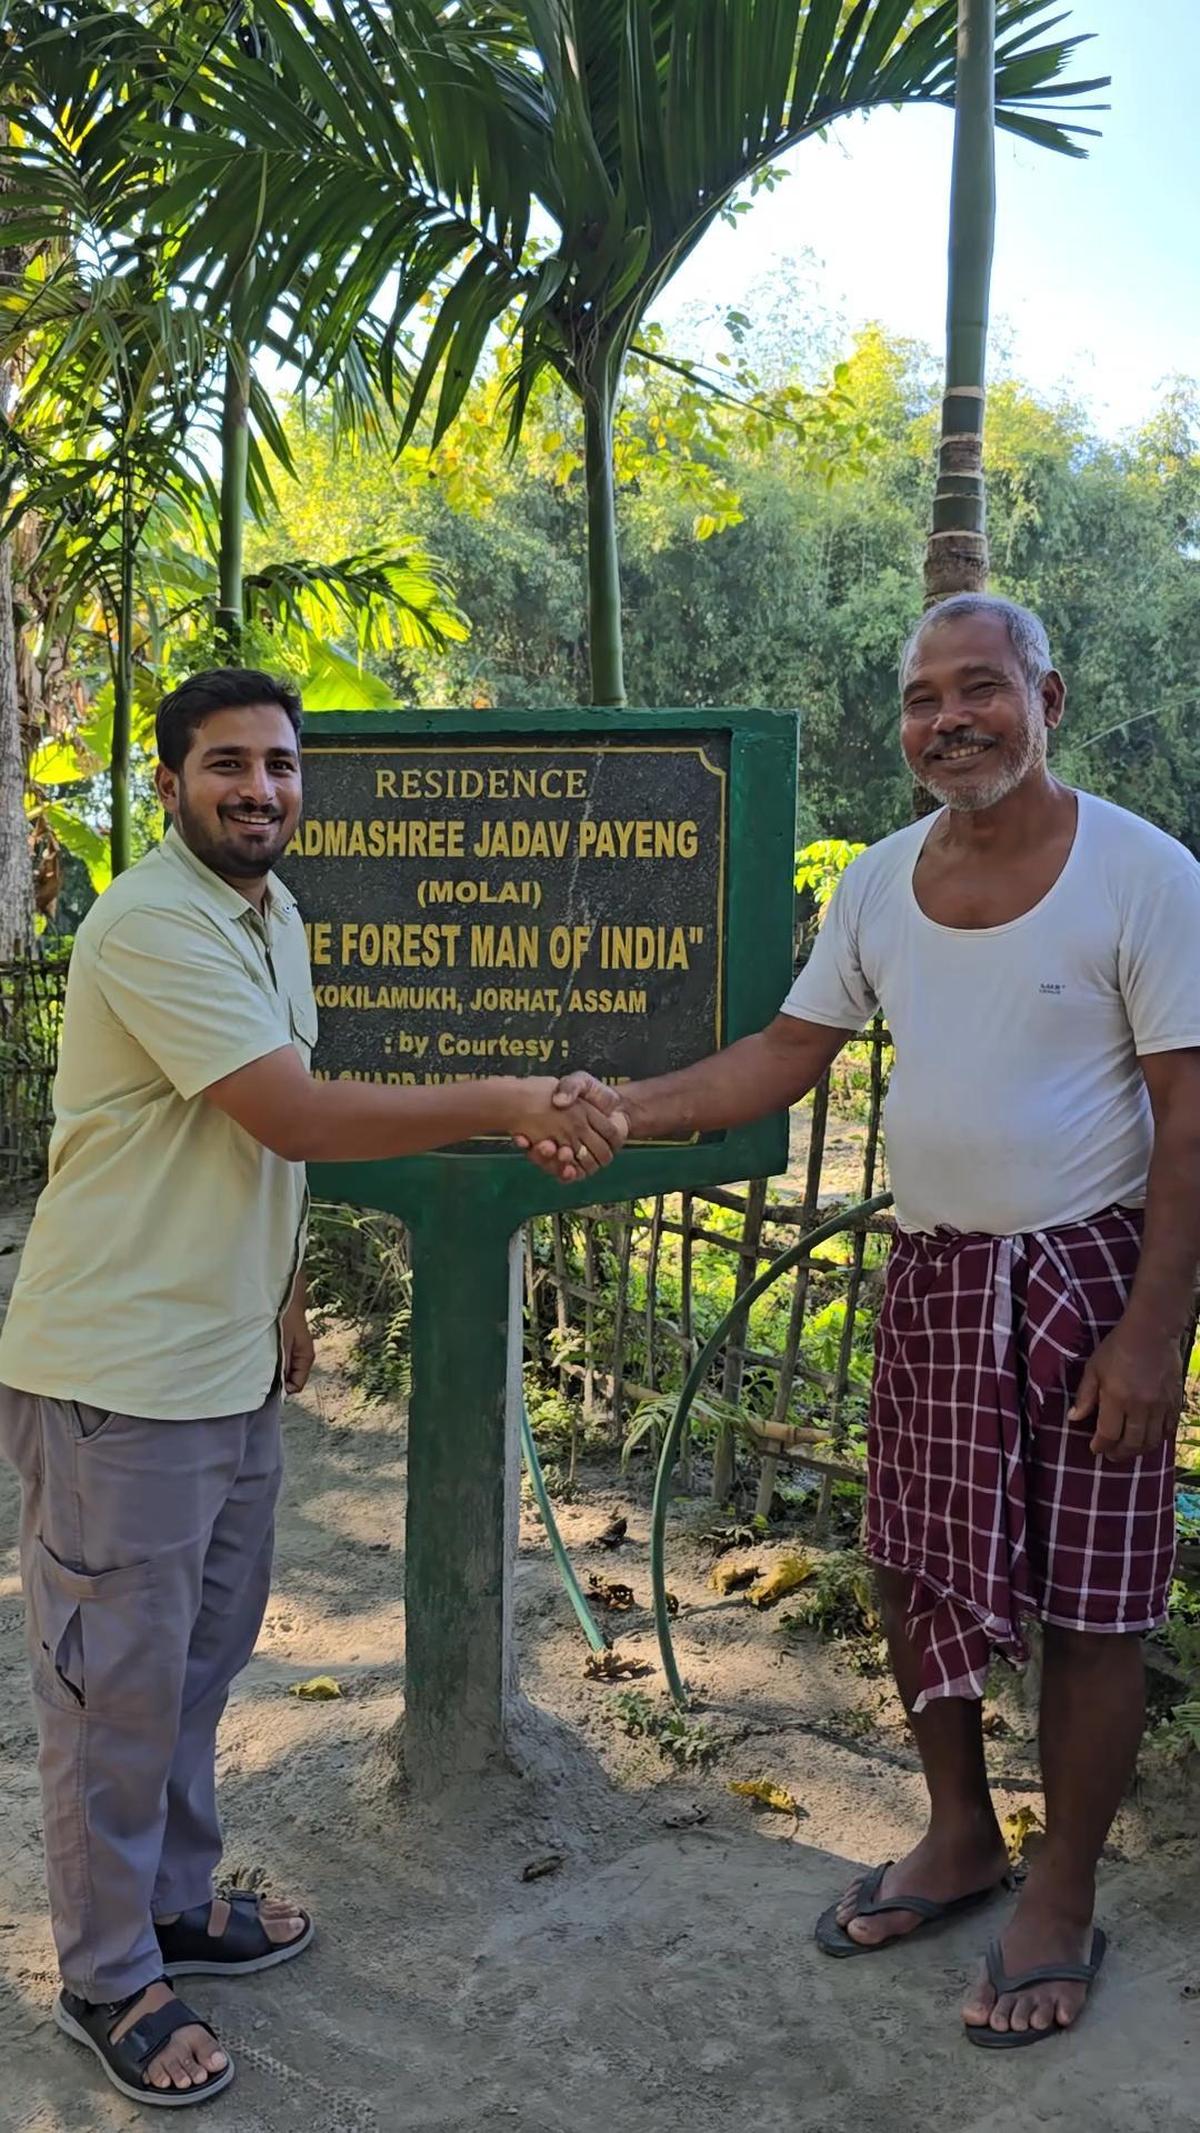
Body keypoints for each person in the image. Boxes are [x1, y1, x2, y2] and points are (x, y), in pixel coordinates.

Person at [527, 594, 1200, 2051]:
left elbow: (1190, 1117)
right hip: (940, 1275)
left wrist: (1154, 1336)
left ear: (1050, 695)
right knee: (909, 1564)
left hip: (1090, 1282)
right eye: (920, 699)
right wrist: (625, 1107)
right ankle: (958, 1832)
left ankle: (1065, 1888)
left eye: (979, 688)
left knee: (1095, 1605)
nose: (948, 720)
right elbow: (785, 1051)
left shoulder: (1145, 876)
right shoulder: (884, 886)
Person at [0, 669, 626, 2109]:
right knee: (115, 1692)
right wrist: (504, 1097)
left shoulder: (271, 918)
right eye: (228, 765)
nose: (261, 789)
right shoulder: (151, 919)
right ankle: (106, 1973)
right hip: (122, 1377)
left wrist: (280, 1286)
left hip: (223, 1363)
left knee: (197, 1664)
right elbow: (289, 1109)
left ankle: (174, 1905)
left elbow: (251, 1141)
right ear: (167, 785)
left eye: (281, 765)